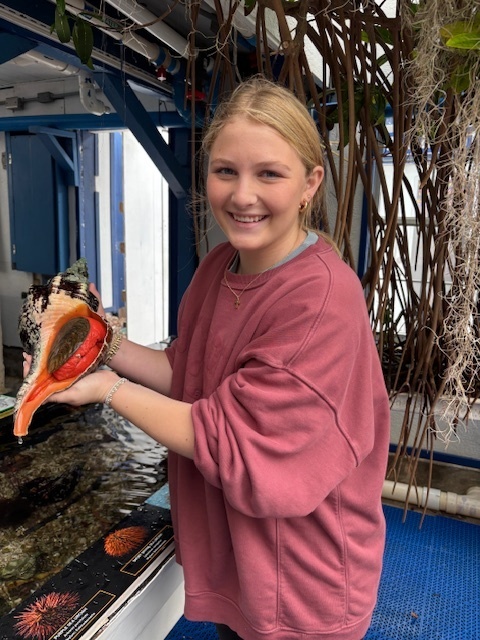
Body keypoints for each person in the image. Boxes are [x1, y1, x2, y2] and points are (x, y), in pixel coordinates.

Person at [26, 77, 390, 639]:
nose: (242, 195)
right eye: (226, 171)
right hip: (241, 560)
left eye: (269, 173)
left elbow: (232, 438)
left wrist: (107, 390)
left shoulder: (320, 300)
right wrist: (104, 344)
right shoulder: (219, 266)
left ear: (309, 184)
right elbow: (186, 376)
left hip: (301, 576)